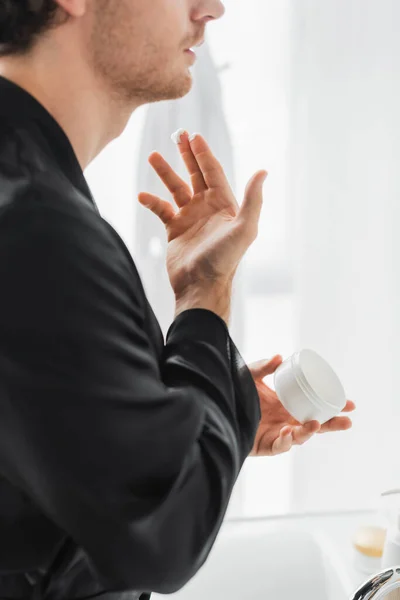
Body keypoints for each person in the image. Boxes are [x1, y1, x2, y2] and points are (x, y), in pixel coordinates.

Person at [0, 1, 356, 599]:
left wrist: (214, 419)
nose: (211, 8)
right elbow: (163, 536)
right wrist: (206, 296)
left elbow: (63, 497)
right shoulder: (37, 228)